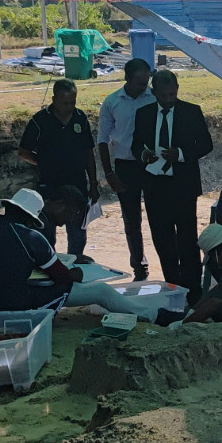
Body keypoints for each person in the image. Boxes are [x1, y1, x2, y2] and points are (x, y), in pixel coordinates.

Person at [0, 188, 175, 323]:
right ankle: (154, 315)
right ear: (30, 219)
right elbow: (61, 277)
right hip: (14, 308)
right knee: (100, 290)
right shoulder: (32, 237)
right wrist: (73, 273)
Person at [132, 69, 213, 305]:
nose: (169, 98)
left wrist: (181, 154)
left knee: (188, 240)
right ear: (154, 92)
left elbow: (206, 144)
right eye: (164, 95)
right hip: (154, 185)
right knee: (162, 239)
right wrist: (143, 155)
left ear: (177, 89)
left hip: (183, 186)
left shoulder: (191, 111)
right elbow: (136, 144)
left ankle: (193, 291)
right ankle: (173, 288)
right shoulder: (144, 114)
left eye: (172, 94)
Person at [18, 78, 100, 260]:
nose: (70, 107)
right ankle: (49, 268)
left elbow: (89, 152)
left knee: (78, 233)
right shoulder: (39, 121)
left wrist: (93, 183)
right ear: (54, 99)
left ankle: (75, 266)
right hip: (50, 185)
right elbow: (23, 151)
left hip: (77, 184)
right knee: (46, 233)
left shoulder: (80, 118)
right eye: (65, 103)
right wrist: (43, 162)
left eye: (73, 102)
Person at [97, 58, 156, 280]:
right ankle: (139, 268)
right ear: (126, 79)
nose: (144, 87)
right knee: (131, 221)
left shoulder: (154, 98)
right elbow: (102, 140)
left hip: (152, 165)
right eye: (140, 83)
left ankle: (169, 264)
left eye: (146, 82)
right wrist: (109, 173)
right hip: (125, 167)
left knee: (158, 217)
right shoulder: (112, 102)